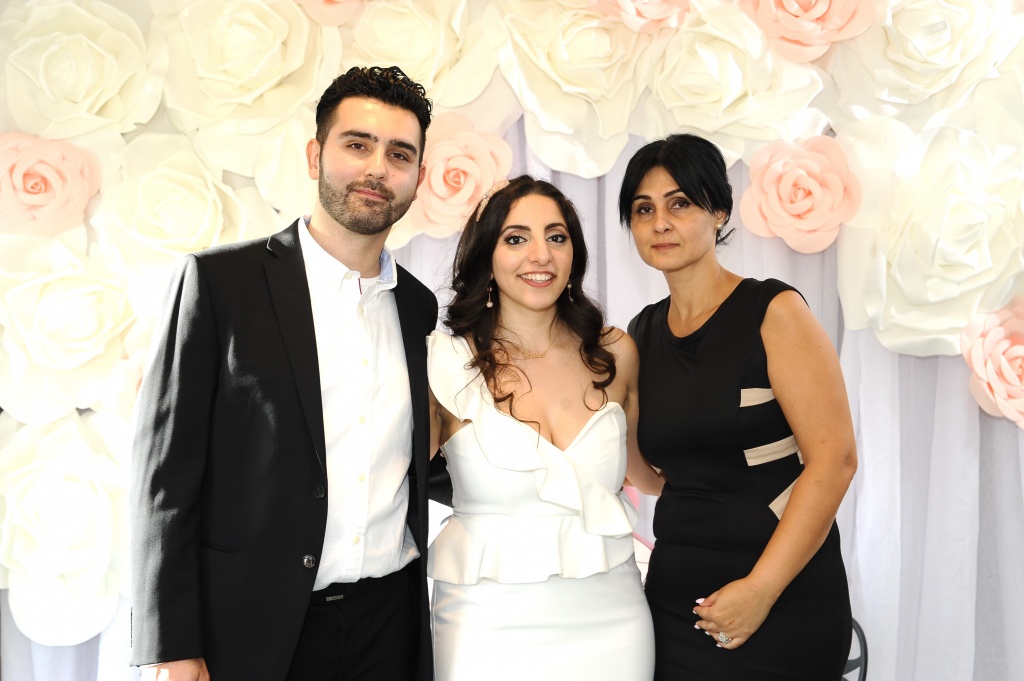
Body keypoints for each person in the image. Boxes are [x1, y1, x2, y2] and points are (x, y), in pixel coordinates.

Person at [129, 66, 438, 681]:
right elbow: (165, 478)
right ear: (315, 155)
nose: (377, 169)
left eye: (399, 154)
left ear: (418, 178)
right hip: (253, 629)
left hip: (391, 625)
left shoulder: (418, 307)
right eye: (357, 145)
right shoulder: (220, 284)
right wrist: (169, 645)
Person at [619, 134, 857, 680]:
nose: (660, 223)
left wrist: (760, 590)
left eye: (680, 203)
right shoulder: (642, 331)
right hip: (677, 599)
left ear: (719, 210)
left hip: (782, 593)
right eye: (643, 209)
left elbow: (835, 460)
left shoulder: (772, 310)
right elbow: (654, 478)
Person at [426, 175, 662, 681]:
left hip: (613, 620)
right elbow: (386, 482)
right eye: (516, 238)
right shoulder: (443, 361)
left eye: (557, 237)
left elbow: (645, 473)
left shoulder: (616, 353)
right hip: (484, 626)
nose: (541, 255)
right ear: (486, 256)